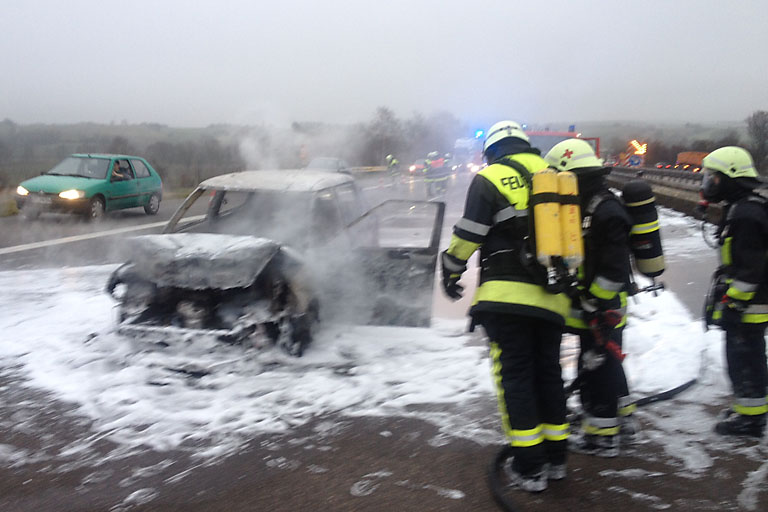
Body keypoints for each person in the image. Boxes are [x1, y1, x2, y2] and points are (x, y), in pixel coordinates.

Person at [440, 120, 570, 492]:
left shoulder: (490, 177)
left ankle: (529, 468)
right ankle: (556, 460)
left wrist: (451, 268)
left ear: (492, 151)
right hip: (554, 298)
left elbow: (470, 233)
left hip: (508, 299)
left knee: (516, 377)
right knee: (548, 374)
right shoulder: (555, 175)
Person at [543, 139, 634, 457]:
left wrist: (595, 303)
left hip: (603, 309)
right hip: (593, 306)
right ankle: (623, 420)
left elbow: (614, 270)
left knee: (599, 369)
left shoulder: (607, 210)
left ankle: (603, 436)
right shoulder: (588, 205)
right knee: (601, 363)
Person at [700, 146, 768, 438]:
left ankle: (751, 420)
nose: (709, 183)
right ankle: (748, 407)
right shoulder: (744, 207)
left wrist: (733, 303)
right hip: (750, 301)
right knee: (746, 355)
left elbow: (750, 269)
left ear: (730, 178)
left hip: (750, 305)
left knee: (745, 358)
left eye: (713, 178)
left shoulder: (747, 214)